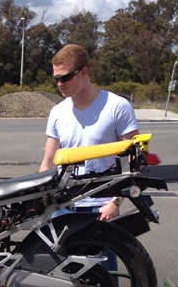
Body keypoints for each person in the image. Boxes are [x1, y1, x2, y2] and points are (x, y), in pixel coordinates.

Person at [39, 44, 139, 221]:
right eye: (56, 79)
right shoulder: (57, 112)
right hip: (63, 206)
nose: (60, 84)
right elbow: (48, 163)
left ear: (84, 72)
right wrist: (40, 198)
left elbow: (132, 161)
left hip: (102, 207)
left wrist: (116, 202)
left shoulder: (117, 107)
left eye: (66, 77)